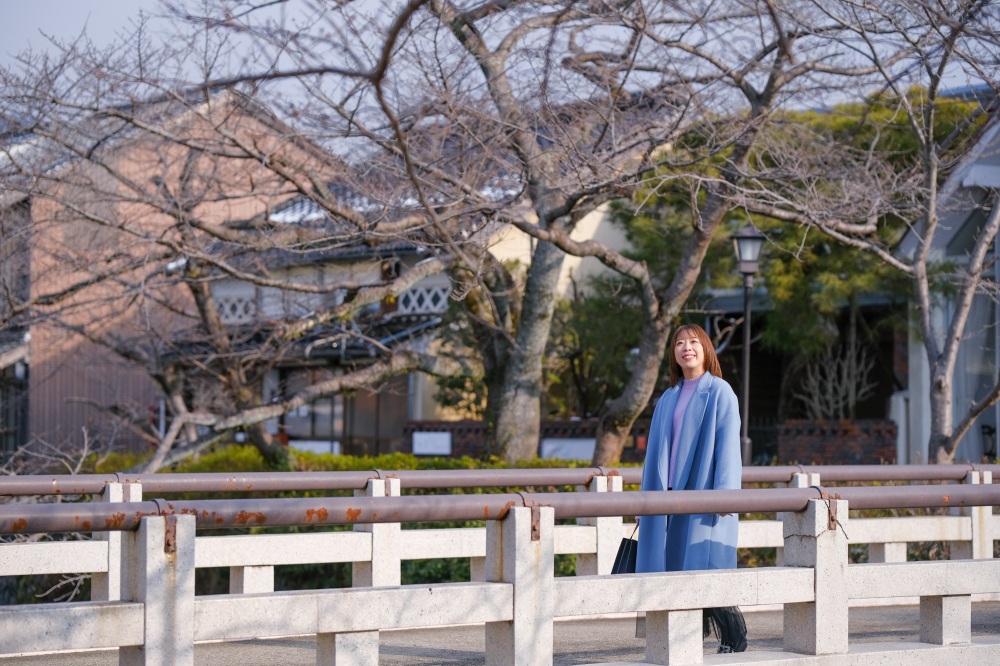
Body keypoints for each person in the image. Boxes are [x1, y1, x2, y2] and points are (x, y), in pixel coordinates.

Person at [635, 323, 747, 653]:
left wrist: (726, 493)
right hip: (667, 497)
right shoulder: (668, 398)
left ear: (706, 349)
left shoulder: (720, 392)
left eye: (694, 342)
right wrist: (645, 503)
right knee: (671, 569)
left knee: (705, 565)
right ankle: (683, 641)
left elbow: (728, 446)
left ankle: (733, 639)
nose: (687, 348)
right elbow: (653, 455)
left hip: (703, 491)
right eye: (680, 343)